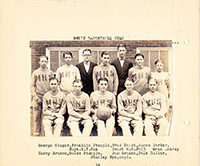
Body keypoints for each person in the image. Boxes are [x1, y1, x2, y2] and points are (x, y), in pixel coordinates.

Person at [30, 55, 54, 136]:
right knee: (36, 117)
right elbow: (32, 86)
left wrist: (49, 97)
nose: (43, 63)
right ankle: (36, 133)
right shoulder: (35, 73)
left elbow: (52, 86)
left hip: (46, 99)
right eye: (42, 61)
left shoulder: (50, 73)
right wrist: (35, 97)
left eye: (45, 61)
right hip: (37, 98)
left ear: (47, 62)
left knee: (46, 117)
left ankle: (44, 134)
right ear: (39, 62)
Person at [56, 51, 81, 123]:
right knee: (63, 110)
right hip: (63, 93)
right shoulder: (60, 69)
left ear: (72, 58)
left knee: (72, 110)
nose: (68, 59)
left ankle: (71, 127)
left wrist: (75, 91)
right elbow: (57, 82)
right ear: (64, 59)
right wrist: (60, 92)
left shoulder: (75, 69)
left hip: (73, 93)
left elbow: (78, 81)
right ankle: (63, 128)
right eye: (66, 57)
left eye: (69, 57)